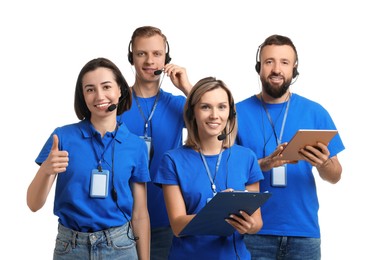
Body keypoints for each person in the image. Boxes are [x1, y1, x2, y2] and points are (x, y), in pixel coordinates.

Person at [27, 57, 151, 260]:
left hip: (120, 246)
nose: (99, 95)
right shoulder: (63, 137)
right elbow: (33, 204)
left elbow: (140, 214)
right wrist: (46, 170)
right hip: (70, 247)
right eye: (90, 89)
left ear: (120, 90)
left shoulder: (136, 146)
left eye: (106, 87)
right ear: (83, 96)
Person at [236, 34, 345, 259]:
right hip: (253, 231)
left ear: (294, 69)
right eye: (269, 62)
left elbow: (335, 176)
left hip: (303, 234)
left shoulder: (315, 112)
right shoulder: (235, 114)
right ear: (259, 67)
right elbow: (224, 175)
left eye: (284, 62)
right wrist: (263, 164)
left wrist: (324, 163)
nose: (277, 69)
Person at [153, 77, 264, 259]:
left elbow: (257, 222)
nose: (214, 115)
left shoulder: (247, 157)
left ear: (230, 113)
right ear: (192, 112)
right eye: (205, 107)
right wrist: (217, 211)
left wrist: (249, 226)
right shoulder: (172, 160)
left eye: (222, 107)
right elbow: (178, 226)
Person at [119, 25, 193, 259]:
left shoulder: (178, 103)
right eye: (142, 53)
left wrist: (187, 87)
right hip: (120, 223)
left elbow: (217, 124)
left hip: (167, 221)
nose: (149, 60)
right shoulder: (116, 103)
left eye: (157, 54)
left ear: (166, 58)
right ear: (132, 57)